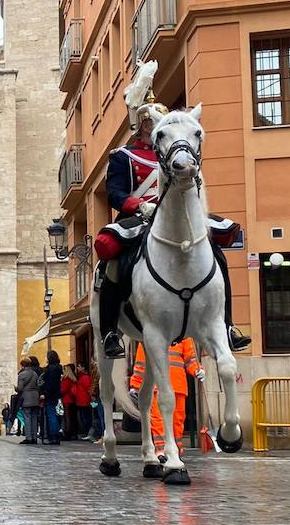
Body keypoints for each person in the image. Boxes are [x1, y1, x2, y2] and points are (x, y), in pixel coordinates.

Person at [93, 61, 250, 359]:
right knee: (114, 264)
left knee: (217, 256)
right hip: (140, 218)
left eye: (162, 123)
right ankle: (112, 331)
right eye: (152, 123)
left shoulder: (180, 153)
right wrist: (139, 205)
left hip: (181, 215)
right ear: (142, 126)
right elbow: (114, 194)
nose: (157, 127)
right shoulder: (123, 156)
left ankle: (227, 325)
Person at [130, 340, 202, 454]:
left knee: (177, 419)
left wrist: (197, 370)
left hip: (177, 384)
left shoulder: (184, 335)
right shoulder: (148, 333)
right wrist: (136, 383)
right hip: (158, 384)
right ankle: (161, 451)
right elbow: (141, 361)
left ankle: (176, 450)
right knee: (158, 420)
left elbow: (190, 358)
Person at [15, 357, 42, 445]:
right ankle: (34, 437)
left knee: (27, 418)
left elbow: (20, 388)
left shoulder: (22, 375)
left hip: (26, 398)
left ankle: (28, 437)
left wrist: (16, 388)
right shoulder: (34, 374)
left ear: (22, 365)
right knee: (34, 418)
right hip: (35, 397)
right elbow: (38, 386)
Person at [41, 350, 63, 445]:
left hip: (50, 395)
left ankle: (54, 435)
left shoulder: (51, 369)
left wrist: (45, 393)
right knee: (54, 415)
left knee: (51, 415)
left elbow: (50, 383)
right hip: (56, 394)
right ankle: (55, 434)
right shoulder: (58, 368)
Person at [73, 362, 94, 441]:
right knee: (84, 417)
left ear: (83, 368)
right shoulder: (82, 377)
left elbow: (88, 389)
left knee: (86, 417)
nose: (77, 368)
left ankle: (88, 432)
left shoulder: (85, 378)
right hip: (82, 401)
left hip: (84, 401)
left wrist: (91, 399)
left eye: (79, 366)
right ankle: (87, 432)